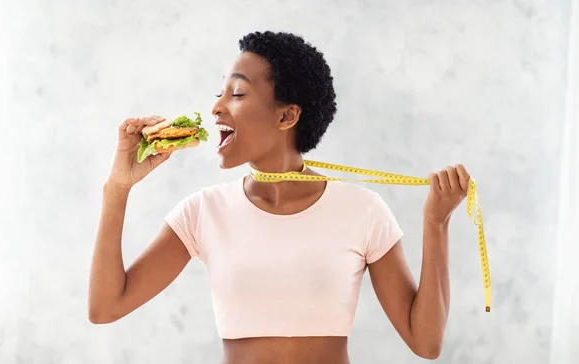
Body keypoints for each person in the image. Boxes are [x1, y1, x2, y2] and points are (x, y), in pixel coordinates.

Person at [88, 31, 471, 364]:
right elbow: (106, 307)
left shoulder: (362, 210)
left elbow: (426, 343)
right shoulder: (202, 212)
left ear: (286, 117)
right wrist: (117, 189)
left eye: (237, 93)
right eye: (219, 93)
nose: (216, 107)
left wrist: (436, 223)